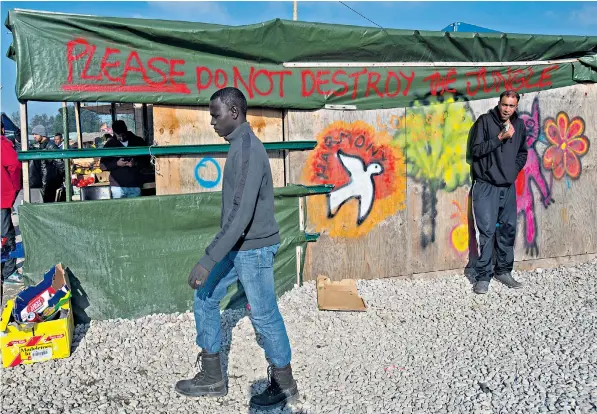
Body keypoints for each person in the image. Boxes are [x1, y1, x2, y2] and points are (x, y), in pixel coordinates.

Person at [175, 87, 298, 409]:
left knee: (264, 315)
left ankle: (284, 385)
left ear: (233, 112)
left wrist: (207, 259)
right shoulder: (238, 147)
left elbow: (242, 213)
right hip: (238, 246)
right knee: (204, 297)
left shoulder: (246, 150)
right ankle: (212, 377)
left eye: (215, 115)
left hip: (253, 249)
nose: (211, 122)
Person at [469, 90, 528, 294]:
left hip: (507, 186)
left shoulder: (519, 125)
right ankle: (483, 276)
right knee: (486, 231)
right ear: (499, 103)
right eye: (504, 105)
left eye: (511, 106)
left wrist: (513, 169)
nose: (507, 109)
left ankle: (503, 271)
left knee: (508, 229)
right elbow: (475, 151)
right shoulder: (485, 122)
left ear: (516, 107)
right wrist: (499, 138)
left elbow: (522, 152)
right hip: (486, 185)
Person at [99, 120, 149, 199]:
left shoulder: (138, 141)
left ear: (126, 129)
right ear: (114, 132)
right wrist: (117, 164)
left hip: (135, 184)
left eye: (123, 134)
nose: (121, 137)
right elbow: (102, 165)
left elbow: (147, 160)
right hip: (117, 186)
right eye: (118, 135)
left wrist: (135, 163)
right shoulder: (110, 145)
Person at [1, 121, 23, 284]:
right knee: (5, 234)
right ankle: (8, 272)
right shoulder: (2, 144)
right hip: (1, 197)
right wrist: (14, 188)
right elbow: (14, 165)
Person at [30, 125, 61, 203]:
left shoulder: (51, 146)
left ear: (42, 134)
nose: (34, 136)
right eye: (33, 134)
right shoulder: (42, 146)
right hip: (45, 183)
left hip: (50, 184)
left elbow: (60, 164)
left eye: (35, 134)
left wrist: (57, 179)